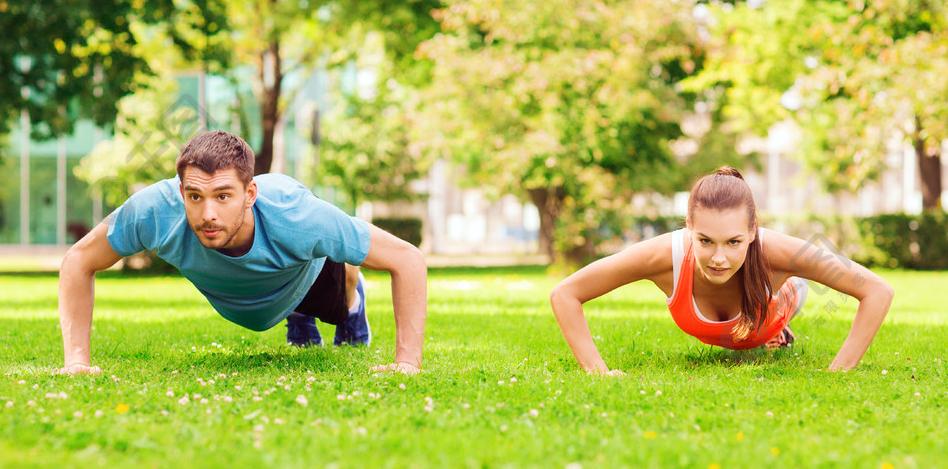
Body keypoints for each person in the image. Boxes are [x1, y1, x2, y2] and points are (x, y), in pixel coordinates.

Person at [58, 131, 427, 376]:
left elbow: (407, 259)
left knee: (339, 280)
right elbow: (79, 260)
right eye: (195, 196)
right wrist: (76, 362)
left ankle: (350, 302)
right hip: (250, 293)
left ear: (249, 194)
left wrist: (407, 363)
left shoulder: (298, 216)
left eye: (223, 196)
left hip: (305, 275)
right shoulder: (155, 211)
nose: (208, 214)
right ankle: (298, 313)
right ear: (182, 192)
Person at [550, 166, 894, 374]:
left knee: (782, 299)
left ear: (753, 231)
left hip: (782, 297)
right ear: (689, 227)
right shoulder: (663, 256)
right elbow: (566, 294)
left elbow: (876, 290)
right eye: (705, 241)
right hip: (749, 316)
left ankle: (778, 329)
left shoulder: (777, 251)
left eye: (733, 242)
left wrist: (839, 372)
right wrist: (597, 372)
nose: (719, 258)